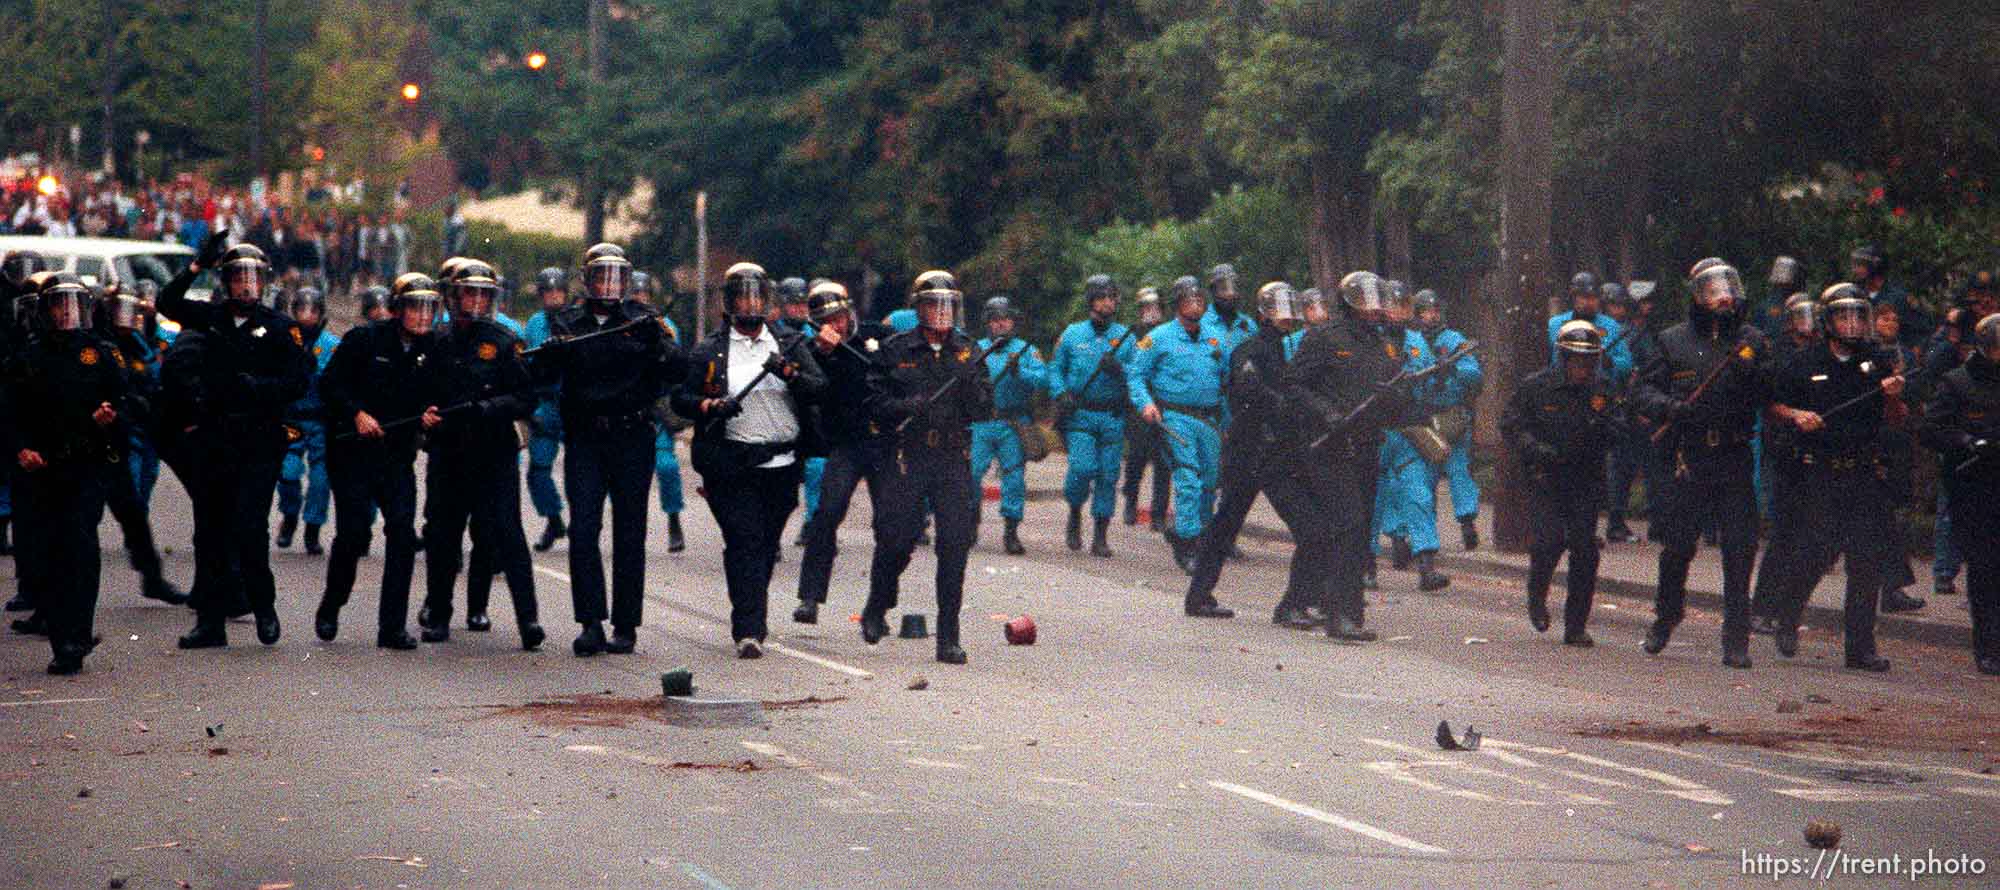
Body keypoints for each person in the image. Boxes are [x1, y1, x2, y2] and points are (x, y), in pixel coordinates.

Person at [534, 243, 688, 657]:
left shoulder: (644, 320)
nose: (609, 285)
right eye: (601, 276)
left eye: (617, 277)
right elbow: (539, 377)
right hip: (585, 437)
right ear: (586, 281)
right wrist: (551, 356)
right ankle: (590, 621)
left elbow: (678, 370)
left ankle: (626, 624)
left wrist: (656, 344)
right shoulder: (566, 322)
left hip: (632, 436)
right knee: (584, 528)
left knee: (630, 530)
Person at [156, 239, 310, 650]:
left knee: (248, 527)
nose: (246, 286)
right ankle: (210, 621)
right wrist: (195, 267)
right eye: (238, 278)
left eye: (253, 278)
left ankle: (264, 606)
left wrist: (257, 388)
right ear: (225, 283)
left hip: (258, 441)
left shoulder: (279, 327)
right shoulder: (212, 317)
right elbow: (167, 303)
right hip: (215, 438)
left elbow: (297, 381)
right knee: (210, 532)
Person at [675, 263, 826, 657]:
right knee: (744, 539)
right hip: (732, 462)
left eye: (758, 296)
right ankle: (749, 627)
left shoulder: (789, 344)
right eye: (743, 296)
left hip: (780, 462)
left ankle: (752, 613)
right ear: (729, 303)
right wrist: (710, 405)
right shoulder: (710, 349)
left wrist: (789, 373)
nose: (751, 304)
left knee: (765, 544)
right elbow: (681, 399)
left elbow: (818, 389)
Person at [1632, 262, 1771, 668]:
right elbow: (1642, 392)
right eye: (1712, 290)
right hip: (1688, 456)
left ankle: (1736, 636)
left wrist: (1753, 370)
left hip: (1733, 454)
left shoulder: (1753, 341)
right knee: (1677, 545)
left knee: (1740, 547)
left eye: (1729, 287)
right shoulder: (1672, 341)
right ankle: (1666, 615)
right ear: (1697, 297)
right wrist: (1670, 407)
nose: (1723, 296)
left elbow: (1772, 388)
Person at [1759, 285, 1902, 672]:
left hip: (1862, 471)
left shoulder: (1876, 361)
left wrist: (1893, 395)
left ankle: (1860, 647)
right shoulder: (1805, 362)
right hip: (1819, 469)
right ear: (1828, 322)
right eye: (1844, 317)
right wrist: (1796, 416)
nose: (1852, 325)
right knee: (1816, 552)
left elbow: (1896, 420)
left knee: (1866, 561)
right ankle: (1788, 617)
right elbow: (1772, 404)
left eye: (1859, 317)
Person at [859, 270, 992, 664]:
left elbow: (986, 409)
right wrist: (906, 406)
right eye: (934, 304)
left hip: (952, 457)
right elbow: (872, 403)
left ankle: (948, 634)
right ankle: (877, 604)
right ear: (919, 309)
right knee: (898, 539)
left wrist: (969, 386)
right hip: (910, 456)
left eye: (948, 305)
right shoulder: (898, 350)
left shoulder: (969, 351)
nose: (941, 312)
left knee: (954, 543)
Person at [3, 273, 132, 673]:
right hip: (41, 469)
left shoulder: (102, 353)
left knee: (79, 548)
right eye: (58, 305)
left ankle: (75, 638)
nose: (65, 313)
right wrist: (19, 449)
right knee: (47, 553)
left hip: (86, 466)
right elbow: (9, 412)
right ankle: (61, 636)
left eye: (73, 305)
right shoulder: (29, 356)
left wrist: (110, 419)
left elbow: (128, 402)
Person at [415, 259, 544, 650]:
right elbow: (419, 390)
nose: (475, 301)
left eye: (483, 294)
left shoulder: (505, 342)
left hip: (493, 452)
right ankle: (438, 614)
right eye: (469, 293)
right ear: (453, 297)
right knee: (442, 533)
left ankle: (529, 620)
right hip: (450, 451)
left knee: (507, 533)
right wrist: (426, 412)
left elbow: (526, 397)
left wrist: (490, 409)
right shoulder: (437, 342)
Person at [312, 273, 441, 650]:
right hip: (352, 452)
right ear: (398, 309)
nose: (422, 315)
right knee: (353, 534)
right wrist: (356, 413)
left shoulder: (434, 348)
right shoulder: (363, 339)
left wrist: (429, 415)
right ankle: (332, 604)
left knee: (402, 535)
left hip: (396, 455)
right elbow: (329, 385)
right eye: (415, 306)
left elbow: (437, 392)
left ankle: (392, 627)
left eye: (428, 308)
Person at [1287, 271, 1415, 640]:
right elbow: (1295, 385)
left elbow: (1399, 394)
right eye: (1368, 302)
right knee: (1349, 524)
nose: (1375, 310)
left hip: (1366, 446)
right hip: (1329, 448)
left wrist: (1398, 397)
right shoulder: (1324, 338)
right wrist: (1325, 413)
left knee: (1358, 531)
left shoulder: (1385, 345)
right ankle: (1340, 614)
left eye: (1379, 302)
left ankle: (1345, 606)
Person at [1186, 282, 1318, 623]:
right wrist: (1279, 403)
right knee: (1225, 525)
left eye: (1290, 313)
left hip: (1277, 453)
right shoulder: (1250, 349)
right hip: (1250, 450)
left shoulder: (1287, 351)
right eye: (1279, 313)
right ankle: (1199, 595)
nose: (1287, 319)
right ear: (1263, 314)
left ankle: (1294, 604)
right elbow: (1247, 388)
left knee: (1310, 527)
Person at [1502, 320, 1620, 646]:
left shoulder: (1604, 390)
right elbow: (1511, 422)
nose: (1581, 368)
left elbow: (1619, 430)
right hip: (1547, 477)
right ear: (1563, 358)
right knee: (1547, 543)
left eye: (1587, 362)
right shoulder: (1537, 386)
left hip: (1584, 479)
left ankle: (1576, 625)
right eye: (1575, 360)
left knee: (1584, 550)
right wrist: (1532, 448)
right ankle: (1537, 594)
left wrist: (1602, 427)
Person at [792, 281, 897, 624]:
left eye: (838, 316)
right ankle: (810, 597)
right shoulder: (814, 349)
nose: (835, 325)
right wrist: (824, 354)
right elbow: (811, 392)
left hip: (882, 440)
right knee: (827, 513)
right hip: (847, 442)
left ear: (849, 311)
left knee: (888, 522)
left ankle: (881, 603)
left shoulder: (876, 334)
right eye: (827, 320)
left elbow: (898, 372)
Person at [89, 288, 187, 608]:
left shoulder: (136, 345)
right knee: (74, 526)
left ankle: (152, 577)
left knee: (133, 516)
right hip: (84, 447)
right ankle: (41, 597)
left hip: (118, 443)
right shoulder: (93, 346)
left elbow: (149, 383)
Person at [1919, 312, 2000, 676]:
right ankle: (1988, 646)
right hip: (1975, 487)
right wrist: (1967, 441)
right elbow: (1931, 428)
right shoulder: (1958, 383)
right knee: (1984, 568)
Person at [1128, 276, 1227, 572]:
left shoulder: (1214, 337)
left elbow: (1227, 375)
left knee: (1210, 482)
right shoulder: (1157, 338)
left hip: (1209, 419)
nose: (1194, 306)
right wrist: (1145, 403)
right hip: (1175, 416)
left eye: (1199, 300)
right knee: (1188, 479)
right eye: (1188, 300)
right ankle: (1188, 542)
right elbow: (1135, 374)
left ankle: (1193, 531)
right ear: (1176, 305)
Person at [1370, 291, 1453, 593]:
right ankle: (1366, 563)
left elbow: (1430, 385)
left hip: (1409, 430)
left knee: (1418, 496)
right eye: (1392, 305)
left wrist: (1440, 375)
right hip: (1378, 431)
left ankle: (1427, 566)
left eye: (1402, 304)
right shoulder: (1370, 340)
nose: (1397, 311)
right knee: (1372, 500)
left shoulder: (1416, 341)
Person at [1051, 274, 1136, 556]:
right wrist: (1061, 393)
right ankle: (1075, 511)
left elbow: (1138, 375)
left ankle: (1100, 534)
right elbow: (1055, 369)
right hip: (1081, 415)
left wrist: (1120, 372)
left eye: (1112, 298)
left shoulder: (1126, 338)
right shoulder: (1073, 334)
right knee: (1083, 468)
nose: (1107, 303)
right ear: (1091, 301)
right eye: (1102, 298)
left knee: (1108, 476)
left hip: (1111, 415)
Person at [970, 295, 1046, 555]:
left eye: (1006, 320)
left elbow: (1041, 381)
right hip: (980, 422)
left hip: (1013, 422)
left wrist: (1019, 372)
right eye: (995, 320)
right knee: (971, 473)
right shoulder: (975, 348)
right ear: (987, 323)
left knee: (1013, 478)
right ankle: (971, 522)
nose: (1001, 325)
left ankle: (1011, 530)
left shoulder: (1025, 351)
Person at [1413, 289, 1483, 551]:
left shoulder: (1454, 340)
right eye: (1425, 312)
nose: (1431, 316)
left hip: (1451, 415)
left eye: (1435, 310)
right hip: (1423, 418)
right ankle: (1425, 537)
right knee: (1424, 479)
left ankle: (1467, 521)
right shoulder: (1413, 342)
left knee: (1458, 469)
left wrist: (1452, 368)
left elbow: (1473, 374)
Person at [276, 288, 337, 556]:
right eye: (302, 309)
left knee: (321, 480)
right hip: (292, 419)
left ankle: (313, 528)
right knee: (287, 473)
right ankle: (289, 516)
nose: (307, 316)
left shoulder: (332, 345)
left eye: (313, 310)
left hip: (321, 421)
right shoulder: (286, 340)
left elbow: (339, 383)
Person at [522, 268, 571, 551]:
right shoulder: (535, 324)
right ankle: (553, 519)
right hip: (545, 402)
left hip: (572, 403)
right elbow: (527, 367)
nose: (554, 296)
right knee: (538, 471)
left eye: (558, 291)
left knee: (581, 471)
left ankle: (585, 522)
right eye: (548, 292)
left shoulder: (576, 320)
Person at [1121, 286, 1170, 530]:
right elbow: (1126, 367)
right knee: (1137, 456)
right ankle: (1131, 499)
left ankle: (1158, 513)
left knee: (1164, 461)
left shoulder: (1170, 332)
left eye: (1156, 307)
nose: (1152, 312)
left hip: (1165, 402)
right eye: (1147, 308)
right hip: (1140, 404)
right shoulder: (1132, 335)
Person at [1546, 272, 1633, 381]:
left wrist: (1610, 362)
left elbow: (1627, 364)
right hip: (1563, 388)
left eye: (1594, 297)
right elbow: (1548, 362)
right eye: (1584, 297)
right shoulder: (1555, 324)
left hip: (1600, 390)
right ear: (1574, 297)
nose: (1589, 302)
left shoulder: (1611, 325)